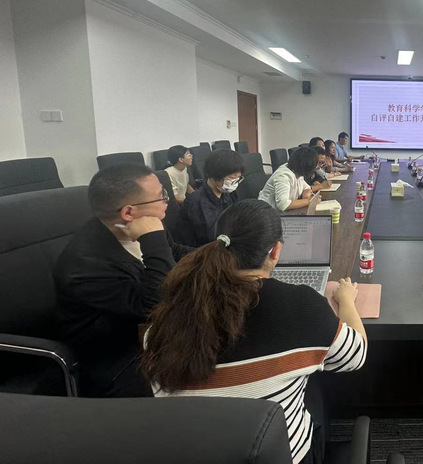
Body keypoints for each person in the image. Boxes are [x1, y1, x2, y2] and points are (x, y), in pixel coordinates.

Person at [142, 200, 366, 464]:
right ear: (276, 251)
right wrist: (346, 300)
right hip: (279, 456)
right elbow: (355, 356)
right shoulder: (300, 305)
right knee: (315, 381)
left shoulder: (164, 321)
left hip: (192, 455)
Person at [53, 163, 192, 397]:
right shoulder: (84, 267)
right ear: (128, 213)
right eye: (161, 196)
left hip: (152, 335)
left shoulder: (142, 224)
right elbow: (158, 305)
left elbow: (173, 251)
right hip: (120, 358)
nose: (166, 201)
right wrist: (154, 240)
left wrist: (222, 253)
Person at [179, 149, 244, 246]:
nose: (235, 183)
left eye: (238, 178)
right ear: (216, 176)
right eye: (232, 178)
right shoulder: (195, 203)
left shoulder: (230, 193)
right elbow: (208, 238)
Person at [259, 146, 321, 211]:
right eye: (314, 166)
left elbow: (307, 188)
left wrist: (306, 194)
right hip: (266, 212)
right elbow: (283, 205)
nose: (316, 168)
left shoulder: (297, 172)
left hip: (282, 212)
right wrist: (309, 201)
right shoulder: (283, 176)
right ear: (307, 166)